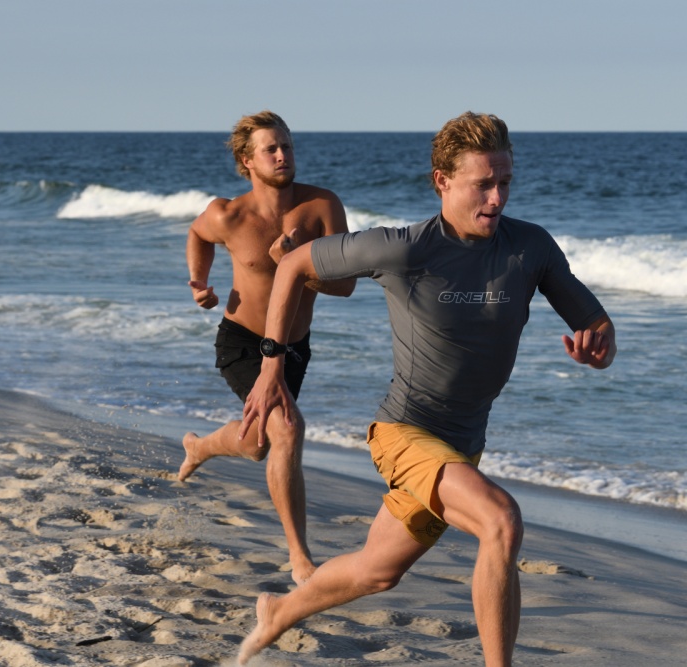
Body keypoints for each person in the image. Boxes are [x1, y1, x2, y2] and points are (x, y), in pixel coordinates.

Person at [236, 112, 616, 666]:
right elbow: (293, 264)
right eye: (482, 184)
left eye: (505, 182)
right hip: (404, 433)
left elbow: (597, 324)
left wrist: (599, 349)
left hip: (463, 445)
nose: (497, 197)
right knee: (501, 520)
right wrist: (271, 366)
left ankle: (279, 611)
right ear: (443, 181)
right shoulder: (405, 249)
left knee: (377, 571)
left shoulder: (530, 247)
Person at [179, 110, 355, 584]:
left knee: (259, 446)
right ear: (247, 161)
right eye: (271, 149)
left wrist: (297, 263)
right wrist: (199, 281)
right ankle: (300, 558)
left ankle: (199, 447)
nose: (282, 155)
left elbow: (345, 286)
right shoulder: (228, 215)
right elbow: (197, 233)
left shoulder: (322, 206)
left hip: (293, 347)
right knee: (288, 431)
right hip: (242, 341)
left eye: (287, 146)